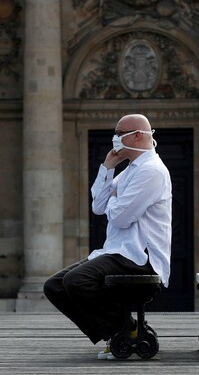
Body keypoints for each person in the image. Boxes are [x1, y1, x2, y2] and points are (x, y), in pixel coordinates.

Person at [43, 114, 172, 360]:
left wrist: (115, 201)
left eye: (119, 133)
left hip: (140, 257)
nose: (115, 138)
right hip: (117, 251)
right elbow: (99, 207)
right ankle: (118, 333)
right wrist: (107, 168)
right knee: (54, 286)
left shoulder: (152, 171)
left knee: (76, 281)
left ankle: (124, 331)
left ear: (137, 135)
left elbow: (120, 217)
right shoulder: (129, 171)